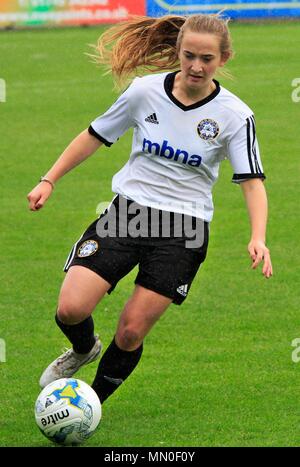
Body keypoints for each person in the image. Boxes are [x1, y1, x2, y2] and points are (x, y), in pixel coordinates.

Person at [27, 14, 273, 405]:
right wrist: (49, 178)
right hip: (128, 214)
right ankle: (83, 348)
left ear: (224, 58)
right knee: (70, 309)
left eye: (207, 58)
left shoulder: (235, 115)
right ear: (177, 51)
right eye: (189, 55)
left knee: (129, 333)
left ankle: (88, 405)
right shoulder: (144, 92)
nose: (196, 66)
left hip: (184, 231)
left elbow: (252, 181)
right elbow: (95, 134)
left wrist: (258, 236)